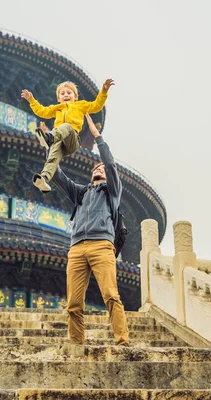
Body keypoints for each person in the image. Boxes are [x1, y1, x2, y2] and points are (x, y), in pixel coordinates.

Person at [52, 113, 129, 346]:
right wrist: (52, 146)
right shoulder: (81, 193)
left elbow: (110, 164)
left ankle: (122, 341)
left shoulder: (112, 191)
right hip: (76, 248)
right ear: (91, 174)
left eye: (102, 169)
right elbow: (58, 176)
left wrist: (97, 137)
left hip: (101, 245)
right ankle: (77, 345)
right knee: (73, 303)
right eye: (96, 168)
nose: (100, 169)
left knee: (111, 295)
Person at [20, 79, 114, 192]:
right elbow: (42, 111)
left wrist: (104, 91)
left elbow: (96, 106)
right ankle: (44, 179)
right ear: (59, 98)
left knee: (67, 127)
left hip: (72, 139)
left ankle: (49, 138)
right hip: (59, 140)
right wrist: (31, 100)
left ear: (75, 96)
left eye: (69, 93)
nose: (66, 95)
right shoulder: (57, 108)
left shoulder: (81, 105)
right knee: (53, 156)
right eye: (62, 93)